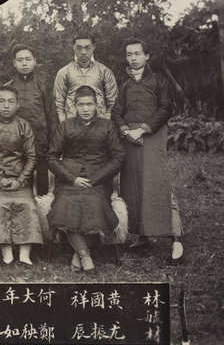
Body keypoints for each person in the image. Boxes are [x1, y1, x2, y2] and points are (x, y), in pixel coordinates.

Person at [111, 38, 184, 265]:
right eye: (129, 54)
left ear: (147, 56)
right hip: (130, 141)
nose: (133, 58)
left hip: (151, 137)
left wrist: (141, 130)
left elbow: (166, 109)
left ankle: (176, 239)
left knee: (159, 185)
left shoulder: (158, 81)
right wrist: (125, 130)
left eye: (137, 54)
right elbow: (116, 111)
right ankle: (143, 235)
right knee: (134, 187)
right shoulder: (125, 85)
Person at [47, 86, 125, 272]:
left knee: (96, 203)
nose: (86, 108)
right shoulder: (65, 126)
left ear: (97, 105)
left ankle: (78, 254)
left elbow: (119, 157)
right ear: (74, 106)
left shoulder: (107, 126)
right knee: (66, 203)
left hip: (97, 182)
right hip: (69, 182)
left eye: (90, 104)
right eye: (81, 104)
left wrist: (95, 179)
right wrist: (72, 178)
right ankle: (84, 255)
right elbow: (51, 157)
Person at [0, 85, 43, 266]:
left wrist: (20, 180)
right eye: (2, 101)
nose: (6, 106)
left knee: (27, 203)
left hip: (19, 181)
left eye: (10, 102)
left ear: (18, 105)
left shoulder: (23, 125)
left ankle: (25, 252)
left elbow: (32, 157)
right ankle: (6, 252)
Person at [6, 44, 58, 195]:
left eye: (28, 59)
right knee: (18, 179)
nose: (24, 63)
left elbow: (52, 119)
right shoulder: (8, 88)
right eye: (20, 60)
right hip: (14, 142)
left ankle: (41, 211)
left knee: (41, 181)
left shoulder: (44, 87)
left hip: (39, 142)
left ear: (34, 61)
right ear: (14, 63)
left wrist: (53, 145)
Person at [54, 30, 118, 122]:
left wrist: (106, 123)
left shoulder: (104, 71)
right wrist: (64, 124)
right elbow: (58, 103)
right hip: (72, 123)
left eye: (87, 48)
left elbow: (113, 101)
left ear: (94, 47)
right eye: (79, 48)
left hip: (99, 123)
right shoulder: (64, 72)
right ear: (73, 47)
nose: (83, 52)